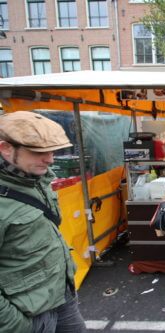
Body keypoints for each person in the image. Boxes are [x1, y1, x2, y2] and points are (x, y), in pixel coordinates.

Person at [0, 111, 86, 333]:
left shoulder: (35, 178)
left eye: (51, 151)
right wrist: (17, 325)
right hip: (28, 313)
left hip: (61, 294)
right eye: (38, 152)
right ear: (5, 149)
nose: (50, 159)